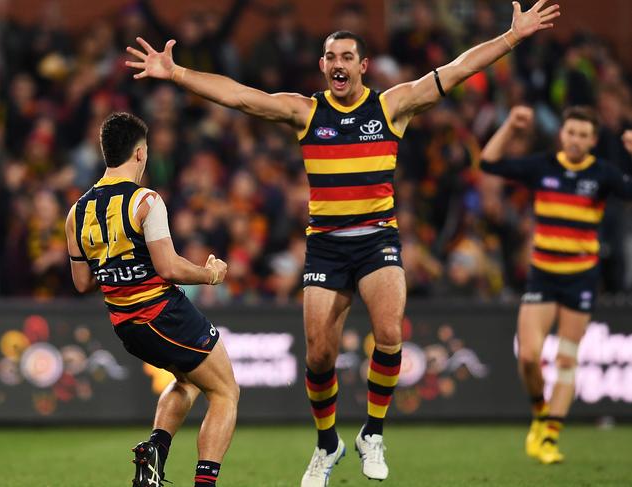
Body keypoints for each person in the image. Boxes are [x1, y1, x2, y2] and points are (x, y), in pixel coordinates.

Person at [126, 2, 560, 484]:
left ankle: (372, 432)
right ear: (322, 65)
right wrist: (177, 72)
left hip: (378, 241)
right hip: (326, 246)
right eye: (331, 56)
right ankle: (328, 443)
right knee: (318, 356)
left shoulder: (392, 105)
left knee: (390, 333)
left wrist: (512, 38)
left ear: (363, 65)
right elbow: (241, 97)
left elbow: (456, 70)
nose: (338, 64)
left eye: (347, 56)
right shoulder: (306, 112)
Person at [64, 112, 239, 487]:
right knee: (225, 391)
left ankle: (154, 453)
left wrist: (114, 263)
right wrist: (211, 274)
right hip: (163, 313)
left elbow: (82, 282)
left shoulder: (77, 212)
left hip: (125, 325)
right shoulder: (145, 200)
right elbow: (170, 267)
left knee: (188, 382)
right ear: (140, 153)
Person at [480, 105, 632, 464]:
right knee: (530, 357)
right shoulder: (542, 167)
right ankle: (540, 411)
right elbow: (488, 162)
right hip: (543, 275)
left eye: (583, 134)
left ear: (593, 141)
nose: (576, 140)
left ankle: (549, 436)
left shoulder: (602, 174)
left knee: (566, 358)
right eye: (571, 132)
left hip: (581, 276)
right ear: (562, 135)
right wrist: (511, 128)